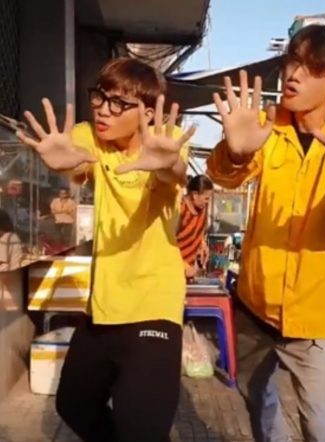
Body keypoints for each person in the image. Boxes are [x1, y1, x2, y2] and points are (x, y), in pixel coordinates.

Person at [206, 24, 325, 441]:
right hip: (255, 304)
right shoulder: (267, 126)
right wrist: (235, 154)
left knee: (320, 420)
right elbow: (224, 176)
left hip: (320, 316)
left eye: (312, 68)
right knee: (255, 395)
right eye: (292, 61)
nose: (293, 75)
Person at [17, 57, 195, 442]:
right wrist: (58, 163)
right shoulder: (93, 137)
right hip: (102, 306)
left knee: (141, 430)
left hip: (153, 307)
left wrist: (167, 165)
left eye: (118, 103)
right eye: (100, 96)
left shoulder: (165, 141)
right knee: (73, 405)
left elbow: (174, 171)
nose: (102, 109)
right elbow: (70, 154)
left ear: (148, 113)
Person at [177, 174, 213, 279]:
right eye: (206, 198)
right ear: (195, 195)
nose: (208, 201)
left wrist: (202, 244)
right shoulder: (180, 210)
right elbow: (165, 243)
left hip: (190, 267)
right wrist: (183, 265)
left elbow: (197, 230)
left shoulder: (203, 208)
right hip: (174, 266)